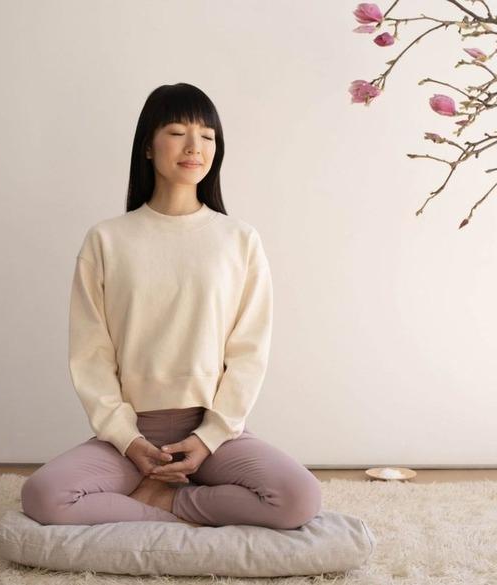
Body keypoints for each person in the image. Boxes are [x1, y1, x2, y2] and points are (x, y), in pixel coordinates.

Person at [21, 83, 322, 529]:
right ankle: (162, 496)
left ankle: (168, 505)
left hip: (212, 432)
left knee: (298, 498)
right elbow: (91, 355)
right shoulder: (106, 240)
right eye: (178, 132)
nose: (194, 147)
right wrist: (127, 439)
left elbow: (248, 354)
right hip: (132, 434)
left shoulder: (239, 240)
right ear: (148, 146)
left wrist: (210, 436)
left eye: (207, 136)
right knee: (43, 497)